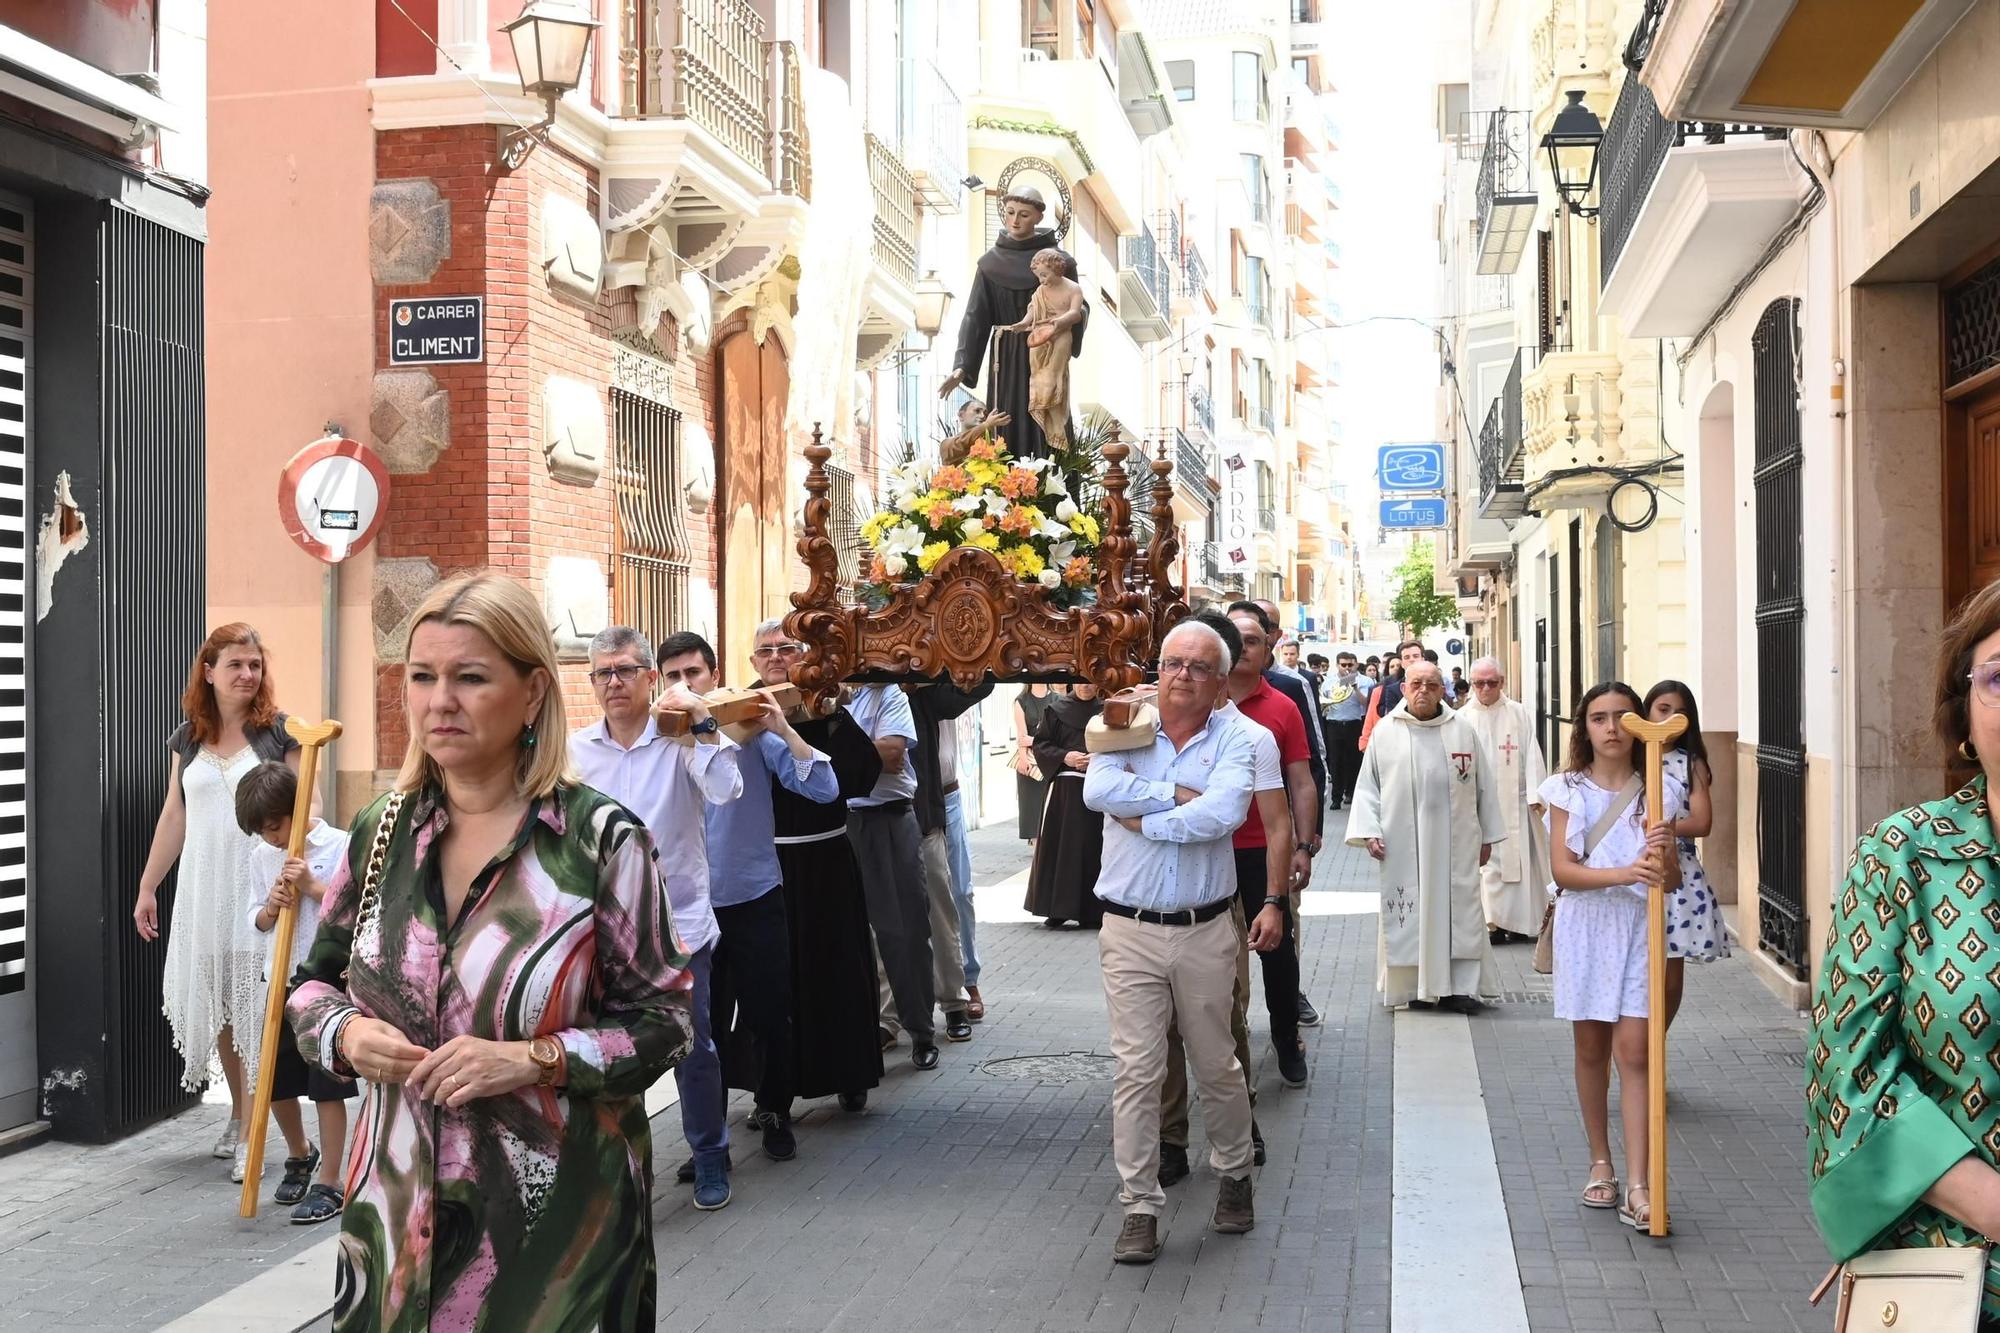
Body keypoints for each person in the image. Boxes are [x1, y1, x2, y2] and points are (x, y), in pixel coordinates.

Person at [288, 572, 693, 1331]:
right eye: (422, 676)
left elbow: (665, 1020)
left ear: (532, 691)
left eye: (470, 677)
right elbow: (311, 986)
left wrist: (534, 1059)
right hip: (394, 1229)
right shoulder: (383, 831)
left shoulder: (601, 842)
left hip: (554, 1251)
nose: (440, 700)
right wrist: (346, 1033)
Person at [1807, 581, 2000, 1320]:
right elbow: (1847, 1070)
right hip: (1948, 1270)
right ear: (1963, 712)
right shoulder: (1903, 855)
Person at [1084, 620, 1278, 1265]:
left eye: (1198, 667)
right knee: (1137, 1071)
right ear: (1159, 667)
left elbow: (1220, 816)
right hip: (1129, 927)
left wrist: (1139, 818)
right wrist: (1170, 795)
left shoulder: (1244, 737)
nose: (1183, 676)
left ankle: (1234, 1174)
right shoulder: (1122, 722)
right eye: (1173, 663)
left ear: (1222, 682)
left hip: (1205, 929)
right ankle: (1138, 1206)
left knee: (1216, 1064)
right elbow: (1095, 789)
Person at [570, 626, 742, 1211]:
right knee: (612, 1053)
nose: (614, 683)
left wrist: (703, 725)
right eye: (603, 673)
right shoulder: (575, 753)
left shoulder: (678, 740)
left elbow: (725, 789)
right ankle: (623, 1169)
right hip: (603, 932)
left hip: (679, 925)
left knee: (694, 1048)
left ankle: (711, 1156)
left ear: (650, 678)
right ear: (592, 684)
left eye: (624, 670)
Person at [656, 630, 837, 1168]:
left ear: (713, 675)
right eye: (673, 677)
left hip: (752, 895)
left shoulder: (747, 728)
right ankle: (709, 1140)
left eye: (693, 673)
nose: (684, 685)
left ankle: (775, 1111)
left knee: (767, 1015)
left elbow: (823, 791)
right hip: (687, 907)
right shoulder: (660, 741)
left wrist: (781, 726)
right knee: (697, 1030)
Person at [134, 624, 302, 1177]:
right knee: (227, 1006)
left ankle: (260, 1128)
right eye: (235, 665)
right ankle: (241, 1112)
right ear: (209, 671)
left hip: (259, 886)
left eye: (255, 664)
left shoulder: (280, 734)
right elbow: (174, 815)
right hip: (204, 885)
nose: (248, 675)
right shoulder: (188, 738)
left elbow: (307, 809)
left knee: (261, 1004)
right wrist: (147, 886)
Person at [1539, 681, 1676, 1234]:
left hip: (1640, 928)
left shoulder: (1658, 789)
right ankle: (1602, 1160)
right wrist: (1627, 872)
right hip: (1587, 927)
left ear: (1641, 725)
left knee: (1636, 1052)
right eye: (1600, 717)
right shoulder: (1566, 789)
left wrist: (1663, 855)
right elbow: (1563, 871)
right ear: (1585, 728)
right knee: (1592, 1048)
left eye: (1624, 716)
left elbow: (1672, 878)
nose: (1613, 727)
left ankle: (1642, 1186)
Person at [749, 621, 885, 1114]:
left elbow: (863, 773)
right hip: (766, 862)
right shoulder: (740, 712)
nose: (776, 657)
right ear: (752, 663)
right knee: (771, 979)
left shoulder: (823, 705)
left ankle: (849, 1074)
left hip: (825, 860)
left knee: (837, 968)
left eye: (786, 648)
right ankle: (772, 1093)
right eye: (765, 651)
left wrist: (830, 717)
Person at [1347, 660, 1504, 1012]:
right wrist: (1369, 831)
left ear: (1442, 691)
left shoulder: (1462, 730)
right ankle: (1414, 989)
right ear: (1403, 688)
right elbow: (1368, 787)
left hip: (1456, 844)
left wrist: (1487, 837)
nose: (1423, 691)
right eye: (1416, 683)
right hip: (1403, 845)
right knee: (1410, 913)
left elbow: (1484, 788)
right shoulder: (1386, 732)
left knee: (1460, 911)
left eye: (1432, 685)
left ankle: (1459, 988)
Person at [235, 761, 353, 1222]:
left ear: (299, 809)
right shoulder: (263, 857)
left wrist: (312, 887)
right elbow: (254, 920)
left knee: (328, 1084)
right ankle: (300, 1154)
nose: (272, 839)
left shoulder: (339, 845)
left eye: (276, 827)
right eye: (262, 832)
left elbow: (355, 908)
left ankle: (331, 1181)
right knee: (274, 1081)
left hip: (325, 984)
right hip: (278, 980)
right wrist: (270, 908)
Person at [1224, 607, 1312, 1085]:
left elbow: (1302, 782)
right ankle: (1228, 1051)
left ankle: (1285, 1038)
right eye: (1235, 639)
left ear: (1267, 650)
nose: (1244, 647)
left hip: (1266, 851)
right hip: (1212, 851)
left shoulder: (1282, 707)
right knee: (1219, 958)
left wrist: (1303, 844)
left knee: (1277, 954)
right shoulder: (1200, 704)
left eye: (1254, 640)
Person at [938, 186, 1089, 462]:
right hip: (1006, 356)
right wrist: (962, 367)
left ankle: (1049, 492)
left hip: (1046, 350)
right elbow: (975, 317)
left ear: (1037, 218)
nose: (1015, 220)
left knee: (1046, 415)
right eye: (1010, 213)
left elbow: (1079, 306)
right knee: (1006, 419)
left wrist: (1059, 323)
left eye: (1024, 214)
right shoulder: (989, 264)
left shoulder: (1059, 262)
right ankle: (1005, 492)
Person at [845, 682, 942, 1069]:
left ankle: (921, 1031)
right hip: (840, 822)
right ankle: (858, 1036)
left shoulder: (890, 695)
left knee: (905, 931)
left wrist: (828, 753)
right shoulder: (828, 693)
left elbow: (892, 755)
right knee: (847, 939)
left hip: (890, 818)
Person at [907, 681, 993, 1038]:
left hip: (943, 794)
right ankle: (898, 1009)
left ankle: (963, 987)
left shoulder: (932, 678)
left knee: (956, 895)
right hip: (892, 803)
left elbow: (974, 687)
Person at [1642, 680, 1728, 1028]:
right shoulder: (1629, 758)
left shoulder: (1689, 763)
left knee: (1670, 965)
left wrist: (1663, 827)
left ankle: (1656, 1046)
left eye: (1680, 713)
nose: (1670, 719)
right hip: (1629, 868)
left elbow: (1702, 821)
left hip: (1676, 870)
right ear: (1646, 710)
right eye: (1663, 709)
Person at [1459, 658, 1552, 944]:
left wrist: (1537, 793)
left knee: (1519, 867)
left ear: (1502, 682)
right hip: (1476, 809)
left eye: (1492, 682)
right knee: (1485, 868)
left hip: (1516, 805)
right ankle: (1491, 924)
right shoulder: (1461, 719)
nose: (1486, 688)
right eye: (1479, 683)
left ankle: (1520, 923)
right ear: (1471, 684)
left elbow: (1532, 752)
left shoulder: (1517, 713)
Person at [1025, 684, 1106, 928]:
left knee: (1093, 848)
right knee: (1062, 847)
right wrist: (1064, 756)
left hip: (1097, 788)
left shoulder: (1107, 711)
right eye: (1081, 682)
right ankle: (1057, 908)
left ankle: (1091, 911)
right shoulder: (1056, 709)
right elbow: (1041, 745)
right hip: (1065, 791)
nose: (1086, 687)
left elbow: (1120, 746)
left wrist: (1098, 759)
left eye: (1091, 681)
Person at [1004, 247, 1085, 452]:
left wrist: (1058, 323)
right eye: (1039, 276)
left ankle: (1053, 415)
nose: (1041, 280)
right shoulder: (1040, 291)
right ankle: (1041, 406)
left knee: (1053, 374)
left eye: (1044, 275)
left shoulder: (1073, 288)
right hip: (1039, 336)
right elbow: (1033, 309)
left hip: (1061, 334)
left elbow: (1076, 314)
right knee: (1039, 374)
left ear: (1056, 269)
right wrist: (1024, 323)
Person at [1323, 651, 1371, 811]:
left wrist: (1355, 688)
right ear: (1337, 665)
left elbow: (1366, 704)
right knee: (1335, 761)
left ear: (1356, 664)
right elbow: (1324, 701)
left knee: (1353, 760)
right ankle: (1336, 797)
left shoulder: (1365, 681)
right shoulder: (1329, 681)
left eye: (1350, 665)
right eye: (1343, 665)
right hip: (1334, 723)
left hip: (1354, 723)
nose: (1347, 668)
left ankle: (1350, 792)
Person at [1360, 639, 1427, 751]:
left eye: (1415, 656)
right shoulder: (1392, 689)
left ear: (1423, 658)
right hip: (1400, 744)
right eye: (1407, 657)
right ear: (1402, 662)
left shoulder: (1435, 685)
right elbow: (1390, 719)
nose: (1412, 660)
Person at [1014, 684, 1053, 854]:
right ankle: (1038, 859)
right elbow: (1021, 736)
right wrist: (1023, 759)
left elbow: (1055, 736)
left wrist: (1034, 741)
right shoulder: (1021, 701)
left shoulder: (1057, 700)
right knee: (1033, 816)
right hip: (1030, 765)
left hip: (1050, 762)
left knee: (1050, 812)